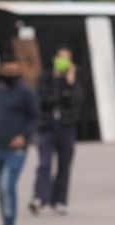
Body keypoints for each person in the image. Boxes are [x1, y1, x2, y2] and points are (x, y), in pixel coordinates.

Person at [0, 57, 39, 225]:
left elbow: (35, 117)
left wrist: (23, 136)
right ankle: (5, 221)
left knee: (8, 184)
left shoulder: (25, 93)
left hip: (16, 148)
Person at [30, 45, 83, 216]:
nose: (64, 62)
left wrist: (70, 83)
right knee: (44, 163)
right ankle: (39, 197)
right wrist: (61, 91)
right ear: (55, 59)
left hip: (66, 127)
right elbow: (42, 100)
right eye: (61, 58)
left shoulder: (74, 79)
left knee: (64, 164)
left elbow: (78, 101)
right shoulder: (45, 78)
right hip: (47, 126)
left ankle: (59, 200)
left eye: (67, 58)